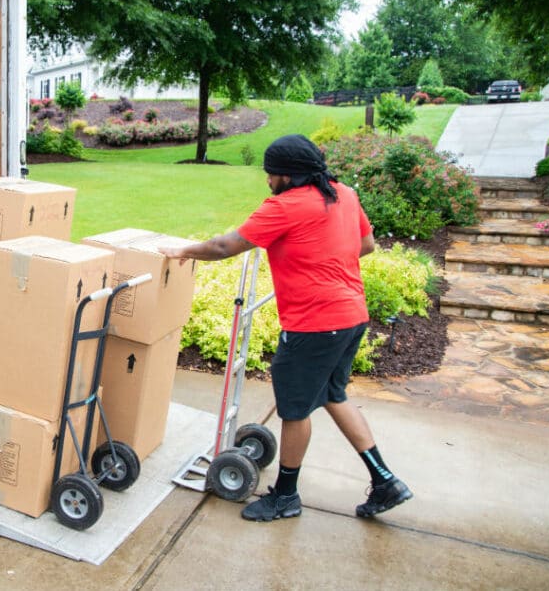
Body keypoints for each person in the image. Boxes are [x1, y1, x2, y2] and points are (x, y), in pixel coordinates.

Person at [160, 133, 412, 522]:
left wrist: (183, 251)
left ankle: (285, 496)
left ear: (288, 175)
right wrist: (321, 256)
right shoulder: (343, 193)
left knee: (294, 410)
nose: (267, 180)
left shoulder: (285, 206)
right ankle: (385, 481)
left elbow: (226, 247)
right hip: (351, 317)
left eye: (271, 173)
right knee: (333, 395)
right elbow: (367, 244)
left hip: (315, 324)